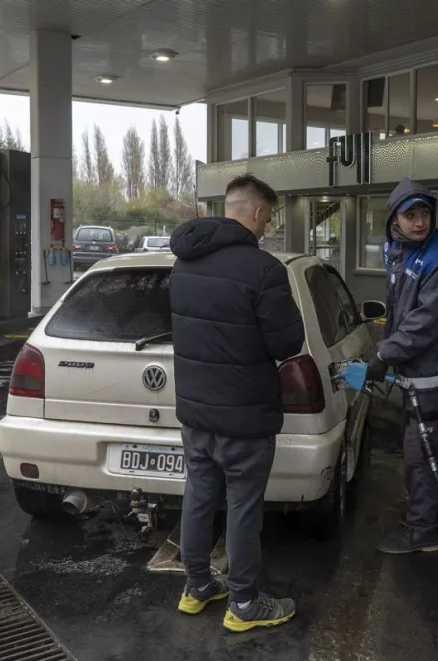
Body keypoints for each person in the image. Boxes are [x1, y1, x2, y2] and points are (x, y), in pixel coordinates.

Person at [169, 174, 305, 632]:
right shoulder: (264, 269)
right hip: (244, 416)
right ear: (258, 213)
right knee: (243, 507)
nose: (269, 224)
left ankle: (197, 587)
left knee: (199, 496)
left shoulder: (184, 263)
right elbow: (287, 342)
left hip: (195, 412)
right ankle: (244, 604)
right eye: (270, 215)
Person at [365, 177, 438, 555]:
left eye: (424, 213)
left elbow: (422, 324)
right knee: (428, 445)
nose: (420, 222)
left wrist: (384, 354)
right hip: (417, 369)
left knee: (418, 452)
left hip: (429, 373)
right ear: (395, 218)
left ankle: (423, 532)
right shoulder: (400, 249)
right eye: (411, 215)